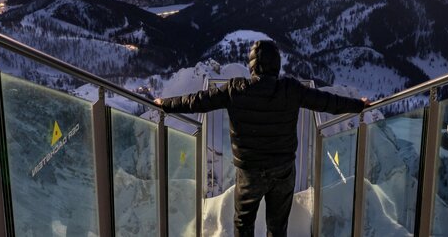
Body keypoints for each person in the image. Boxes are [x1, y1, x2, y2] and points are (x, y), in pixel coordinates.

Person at [154, 39, 368, 237]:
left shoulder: (235, 90)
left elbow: (198, 101)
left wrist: (166, 104)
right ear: (277, 64)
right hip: (283, 170)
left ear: (252, 65)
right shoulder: (290, 89)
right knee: (277, 226)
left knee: (243, 222)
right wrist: (358, 105)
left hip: (249, 172)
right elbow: (327, 102)